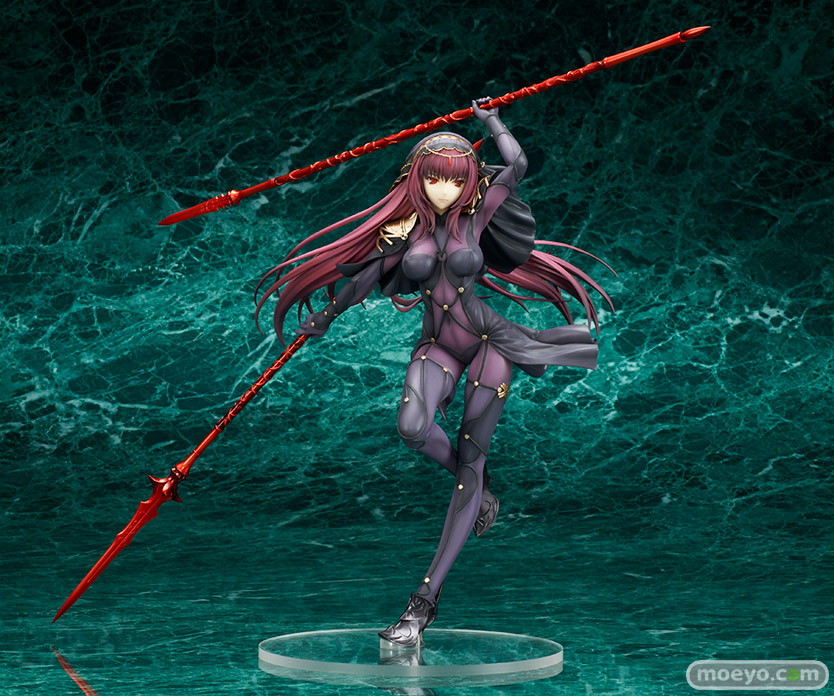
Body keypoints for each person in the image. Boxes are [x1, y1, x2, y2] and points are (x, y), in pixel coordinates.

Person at [255, 98, 615, 648]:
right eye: (433, 179)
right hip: (438, 345)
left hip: (489, 342)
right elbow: (365, 278)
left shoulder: (479, 214)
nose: (444, 189)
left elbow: (517, 165)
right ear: (417, 180)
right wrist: (326, 316)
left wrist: (490, 120)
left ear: (469, 181)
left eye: (454, 179)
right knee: (412, 428)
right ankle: (479, 487)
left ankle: (422, 604)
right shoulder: (405, 228)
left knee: (470, 455)